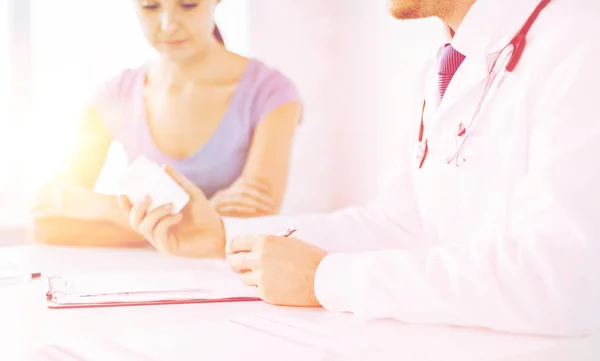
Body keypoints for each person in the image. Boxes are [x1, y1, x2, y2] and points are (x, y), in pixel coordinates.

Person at [122, 0, 600, 336]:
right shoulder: (444, 65)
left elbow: (564, 283)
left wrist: (327, 280)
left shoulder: (581, 44)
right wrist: (225, 235)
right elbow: (399, 225)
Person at [31, 0, 303, 246]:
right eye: (150, 7)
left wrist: (101, 207)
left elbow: (254, 218)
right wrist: (206, 216)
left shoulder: (271, 93)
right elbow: (48, 223)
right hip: (137, 284)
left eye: (188, 5)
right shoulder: (113, 96)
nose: (168, 24)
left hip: (232, 282)